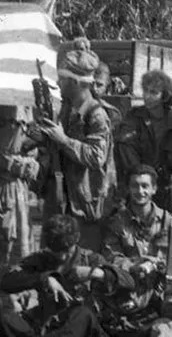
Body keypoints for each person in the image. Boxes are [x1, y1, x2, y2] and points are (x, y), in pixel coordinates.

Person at [0, 214, 132, 337]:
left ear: (77, 240)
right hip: (46, 330)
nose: (63, 257)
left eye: (67, 251)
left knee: (84, 314)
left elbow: (129, 282)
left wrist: (97, 273)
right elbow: (7, 282)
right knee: (5, 316)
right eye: (57, 252)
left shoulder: (91, 259)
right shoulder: (41, 259)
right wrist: (44, 279)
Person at [30, 38, 115, 248]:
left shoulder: (96, 114)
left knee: (80, 262)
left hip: (84, 204)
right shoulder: (66, 109)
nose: (58, 84)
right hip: (61, 199)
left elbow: (96, 157)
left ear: (76, 82)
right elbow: (60, 150)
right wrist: (45, 138)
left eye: (63, 79)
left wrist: (63, 139)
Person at [101, 166, 172, 337]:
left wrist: (167, 263)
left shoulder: (170, 221)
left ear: (154, 189)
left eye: (145, 186)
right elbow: (111, 257)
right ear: (128, 188)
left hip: (162, 289)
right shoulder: (117, 222)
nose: (140, 191)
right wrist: (137, 264)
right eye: (135, 186)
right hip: (131, 288)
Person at [114, 69, 172, 211]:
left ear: (165, 96)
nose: (147, 96)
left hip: (169, 191)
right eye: (145, 90)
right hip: (140, 188)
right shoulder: (134, 118)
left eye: (154, 92)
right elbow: (126, 151)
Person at [0, 106, 41, 278]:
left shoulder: (25, 106)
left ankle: (20, 289)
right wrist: (27, 165)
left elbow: (29, 145)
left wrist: (32, 153)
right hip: (4, 188)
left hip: (20, 189)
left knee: (23, 241)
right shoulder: (0, 106)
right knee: (6, 241)